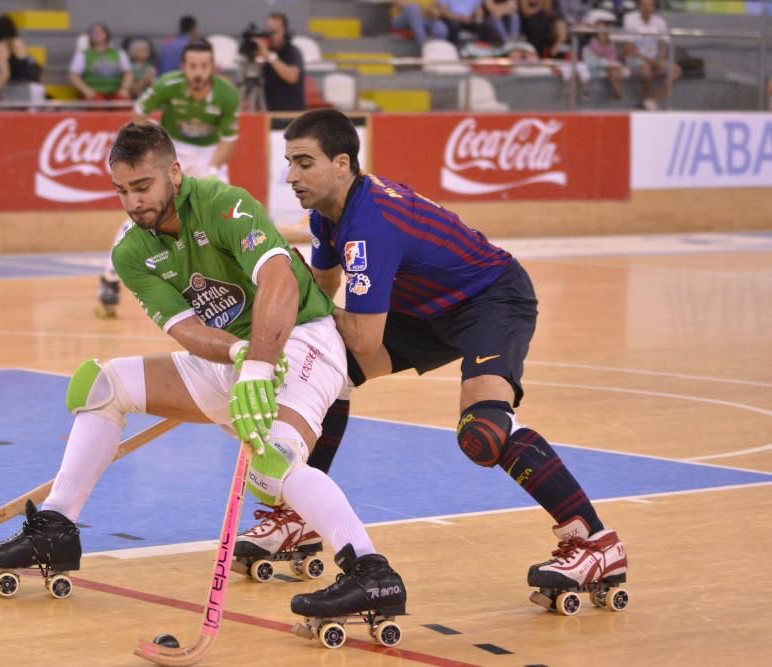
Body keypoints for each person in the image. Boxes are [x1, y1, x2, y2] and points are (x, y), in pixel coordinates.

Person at [0, 121, 407, 624]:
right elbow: (188, 330)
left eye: (142, 187)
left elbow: (280, 281)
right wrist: (242, 357)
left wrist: (259, 365)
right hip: (235, 356)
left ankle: (372, 573)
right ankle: (56, 529)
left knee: (272, 464)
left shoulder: (224, 204)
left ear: (174, 173)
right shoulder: (132, 252)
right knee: (101, 385)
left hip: (304, 341)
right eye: (122, 191)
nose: (133, 203)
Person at [242, 109, 628, 607]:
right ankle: (301, 517)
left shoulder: (368, 225)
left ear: (342, 163)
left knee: (483, 431)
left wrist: (289, 305)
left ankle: (595, 543)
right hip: (422, 309)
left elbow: (361, 338)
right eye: (289, 162)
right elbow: (323, 295)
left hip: (490, 300)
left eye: (303, 162)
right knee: (325, 370)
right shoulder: (326, 214)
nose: (291, 176)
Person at [96, 39, 241, 318]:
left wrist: (211, 171)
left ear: (212, 68)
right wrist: (155, 144)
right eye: (192, 66)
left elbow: (228, 140)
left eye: (204, 66)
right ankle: (109, 278)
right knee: (145, 210)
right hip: (172, 149)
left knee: (221, 214)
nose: (198, 72)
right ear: (184, 67)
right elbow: (138, 112)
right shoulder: (167, 85)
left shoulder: (227, 94)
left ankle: (227, 280)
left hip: (209, 155)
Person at [622, 0, 680, 111]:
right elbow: (629, 49)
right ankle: (648, 102)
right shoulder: (630, 20)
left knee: (675, 71)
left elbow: (663, 45)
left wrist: (660, 60)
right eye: (644, 5)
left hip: (655, 59)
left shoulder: (660, 22)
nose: (647, 8)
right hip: (636, 58)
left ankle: (651, 100)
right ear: (639, 6)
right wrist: (650, 61)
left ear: (654, 7)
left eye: (650, 5)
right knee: (645, 70)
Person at [252, 12, 305, 111]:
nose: (271, 36)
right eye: (268, 32)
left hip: (290, 113)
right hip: (269, 112)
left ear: (285, 32)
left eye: (275, 32)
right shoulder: (265, 52)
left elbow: (292, 77)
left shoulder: (293, 51)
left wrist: (269, 56)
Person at [0, 14, 39, 102]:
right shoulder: (20, 43)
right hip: (26, 91)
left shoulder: (1, 46)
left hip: (12, 92)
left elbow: (5, 75)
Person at [69, 23, 133, 101]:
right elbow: (74, 76)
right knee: (96, 103)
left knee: (123, 101)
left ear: (107, 35)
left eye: (101, 32)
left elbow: (128, 73)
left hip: (116, 92)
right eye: (94, 33)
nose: (98, 34)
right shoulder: (82, 54)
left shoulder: (119, 53)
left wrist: (124, 89)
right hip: (92, 93)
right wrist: (87, 91)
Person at [583, 11, 626, 99]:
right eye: (600, 27)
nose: (602, 29)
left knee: (618, 67)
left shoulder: (611, 41)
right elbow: (598, 53)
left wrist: (611, 60)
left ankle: (619, 88)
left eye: (603, 26)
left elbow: (613, 54)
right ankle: (616, 90)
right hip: (597, 61)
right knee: (609, 67)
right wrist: (601, 36)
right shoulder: (593, 40)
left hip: (609, 61)